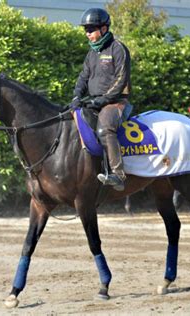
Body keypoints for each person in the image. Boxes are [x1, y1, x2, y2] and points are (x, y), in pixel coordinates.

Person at [71, 8, 132, 191]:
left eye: (91, 29)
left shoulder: (118, 49)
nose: (87, 34)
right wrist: (76, 96)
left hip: (116, 102)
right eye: (86, 30)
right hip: (95, 101)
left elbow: (121, 80)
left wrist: (104, 100)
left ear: (104, 29)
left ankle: (118, 175)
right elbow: (83, 78)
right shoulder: (92, 54)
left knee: (105, 128)